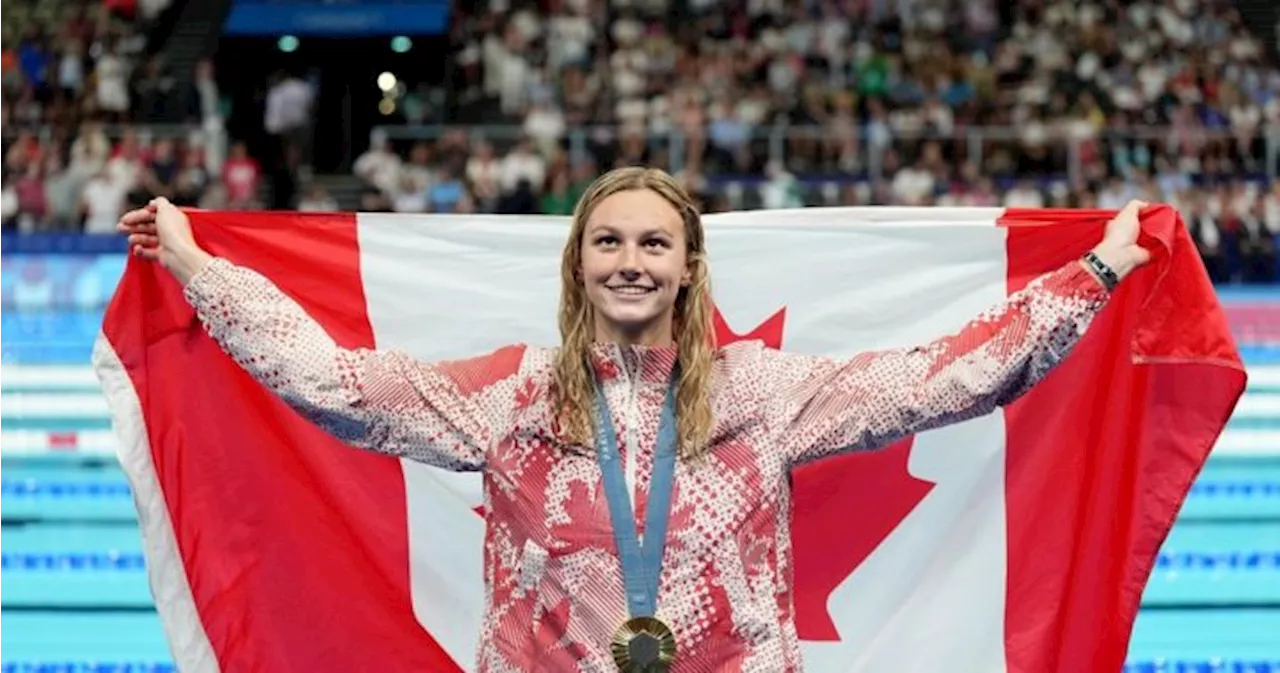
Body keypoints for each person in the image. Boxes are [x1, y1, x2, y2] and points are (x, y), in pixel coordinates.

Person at [117, 167, 1151, 672]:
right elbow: (329, 383)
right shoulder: (508, 400)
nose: (629, 260)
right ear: (577, 263)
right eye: (607, 241)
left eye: (653, 244)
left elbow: (942, 378)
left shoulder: (760, 394)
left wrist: (1095, 270)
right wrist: (197, 266)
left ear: (687, 265)